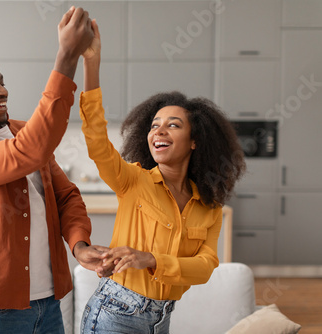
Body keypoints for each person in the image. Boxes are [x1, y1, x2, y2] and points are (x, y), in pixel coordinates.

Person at [0, 7, 109, 334]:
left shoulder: (22, 131)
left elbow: (65, 195)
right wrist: (67, 55)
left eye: (1, 82)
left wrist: (79, 244)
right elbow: (28, 152)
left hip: (48, 306)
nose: (3, 91)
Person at [78, 21, 246, 333]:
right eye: (154, 125)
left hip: (161, 318)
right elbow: (96, 139)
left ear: (195, 140)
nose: (159, 131)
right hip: (115, 312)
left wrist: (150, 259)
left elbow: (206, 266)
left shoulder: (209, 206)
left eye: (173, 125)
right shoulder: (133, 181)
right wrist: (91, 62)